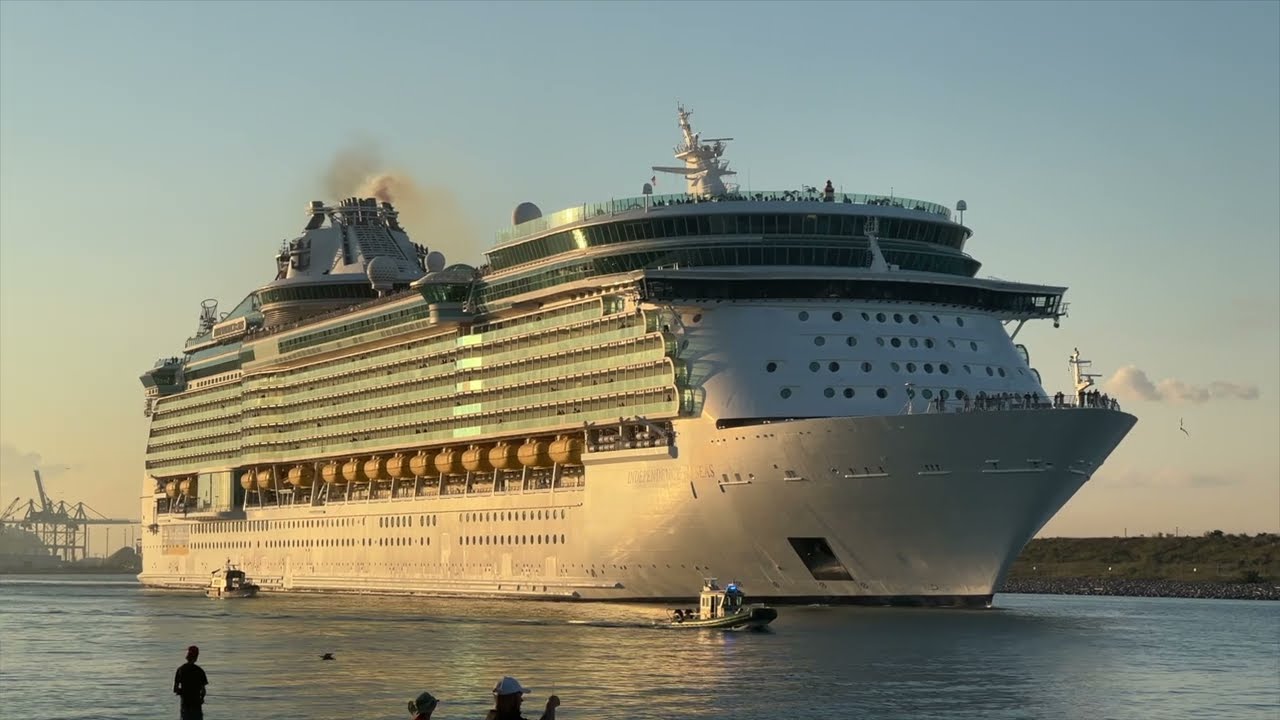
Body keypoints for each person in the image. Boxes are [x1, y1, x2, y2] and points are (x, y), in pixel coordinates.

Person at [484, 676, 560, 720]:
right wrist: (550, 707)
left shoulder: (491, 716)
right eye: (519, 697)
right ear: (512, 700)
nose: (521, 700)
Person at [173, 645, 208, 720]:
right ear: (196, 657)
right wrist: (201, 698)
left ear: (188, 656)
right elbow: (203, 691)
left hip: (185, 705)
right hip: (196, 705)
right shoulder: (200, 671)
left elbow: (175, 689)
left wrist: (182, 692)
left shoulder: (180, 670)